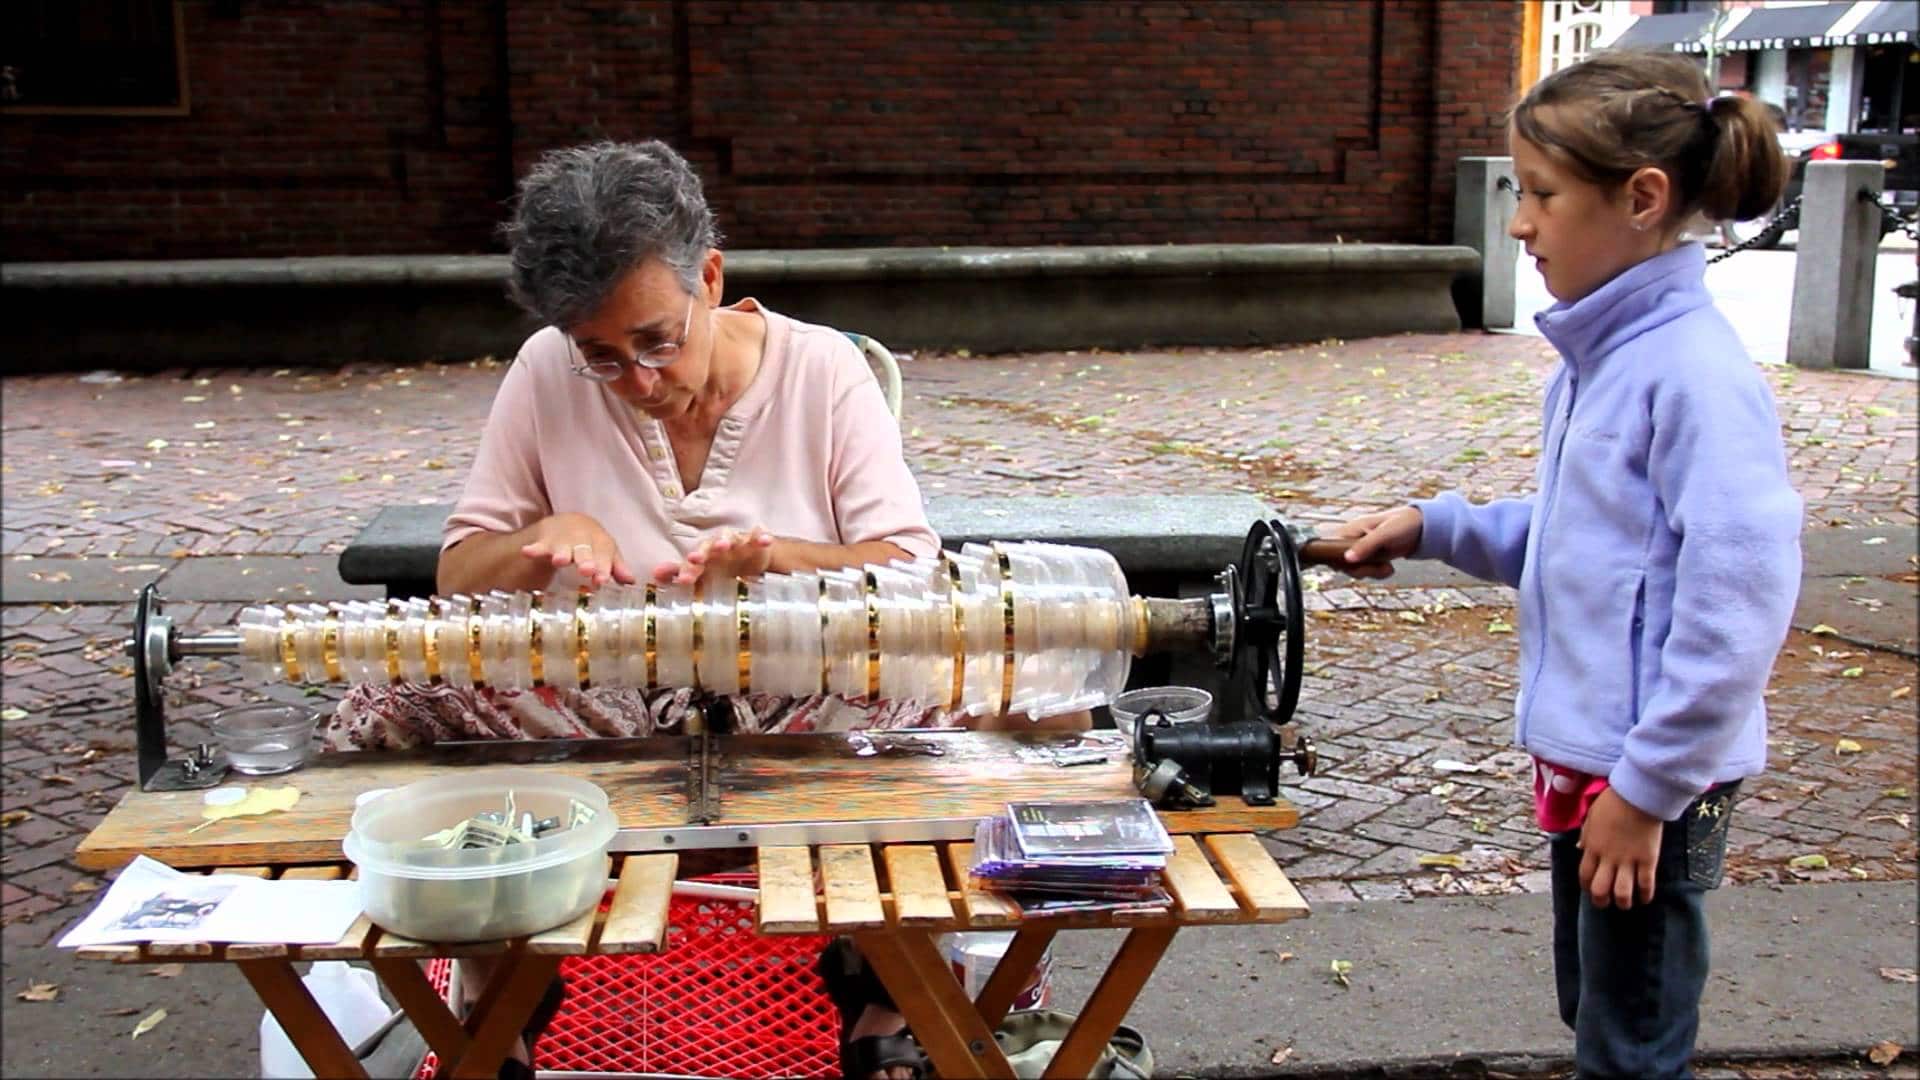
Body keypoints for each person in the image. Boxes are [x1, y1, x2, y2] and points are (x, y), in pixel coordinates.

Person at [322, 139, 952, 1079]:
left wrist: (779, 562)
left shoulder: (823, 370)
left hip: (791, 706)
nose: (640, 383)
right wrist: (546, 537)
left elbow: (913, 572)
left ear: (710, 274)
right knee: (392, 698)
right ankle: (500, 1014)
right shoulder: (544, 371)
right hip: (602, 714)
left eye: (659, 340)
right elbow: (459, 577)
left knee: (948, 688)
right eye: (604, 359)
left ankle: (886, 1011)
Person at [1325, 52, 1801, 1079]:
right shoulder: (1612, 360)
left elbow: (1740, 606)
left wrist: (1646, 790)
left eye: (1539, 194)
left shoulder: (1692, 375)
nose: (1520, 225)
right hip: (1608, 773)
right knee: (1600, 1010)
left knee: (1631, 1037)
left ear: (1641, 200)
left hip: (1649, 782)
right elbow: (1589, 538)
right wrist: (1434, 526)